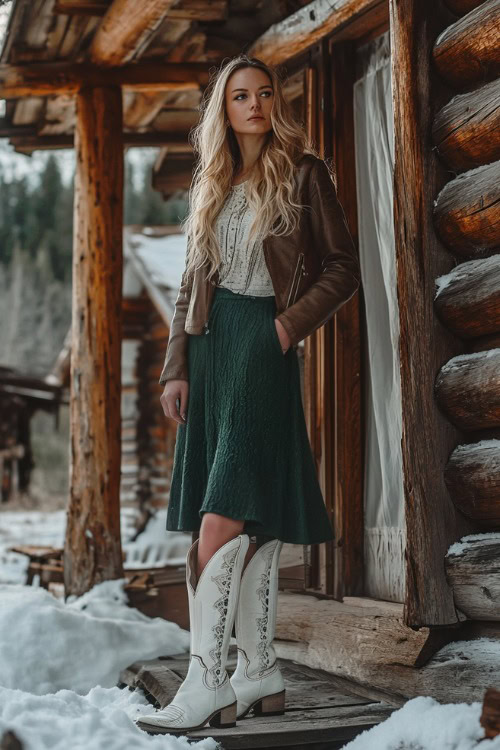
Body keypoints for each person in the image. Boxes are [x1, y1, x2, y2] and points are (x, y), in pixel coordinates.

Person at [137, 53, 360, 735]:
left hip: (263, 346)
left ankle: (207, 684)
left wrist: (287, 329)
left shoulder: (304, 172)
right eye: (240, 96)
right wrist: (176, 366)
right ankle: (258, 669)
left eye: (264, 93)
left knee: (221, 516)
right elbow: (189, 285)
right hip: (211, 348)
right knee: (240, 517)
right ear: (224, 109)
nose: (255, 105)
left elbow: (343, 268)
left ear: (275, 102)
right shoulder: (213, 181)